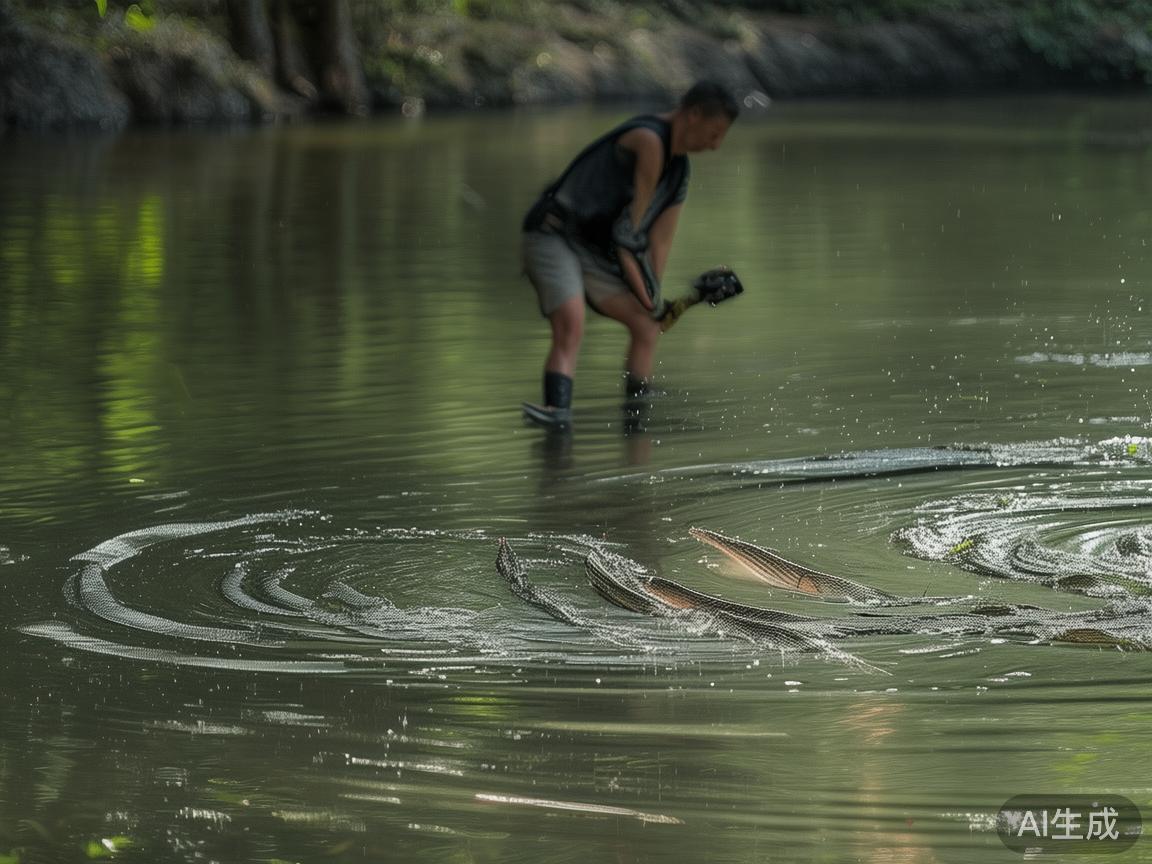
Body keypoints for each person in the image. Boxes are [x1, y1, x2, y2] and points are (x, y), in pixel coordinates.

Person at [520, 80, 740, 428]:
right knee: (572, 323)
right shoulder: (649, 140)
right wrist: (654, 301)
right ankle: (555, 413)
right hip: (553, 235)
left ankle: (637, 423)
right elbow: (628, 237)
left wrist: (656, 301)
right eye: (714, 134)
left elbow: (659, 243)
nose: (714, 146)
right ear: (694, 114)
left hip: (596, 251)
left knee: (646, 327)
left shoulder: (679, 172)